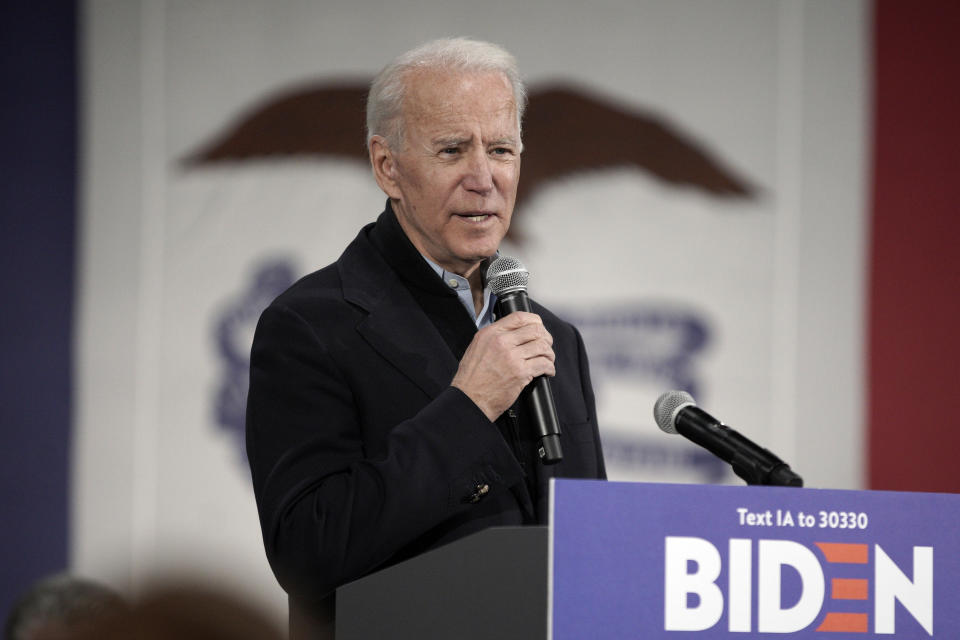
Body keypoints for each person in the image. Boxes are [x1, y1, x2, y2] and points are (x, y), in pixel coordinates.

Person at [245, 37, 606, 639]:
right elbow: (306, 552)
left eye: (501, 149)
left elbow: (588, 550)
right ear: (387, 165)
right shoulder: (310, 325)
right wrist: (467, 410)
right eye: (451, 150)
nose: (484, 179)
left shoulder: (556, 339)